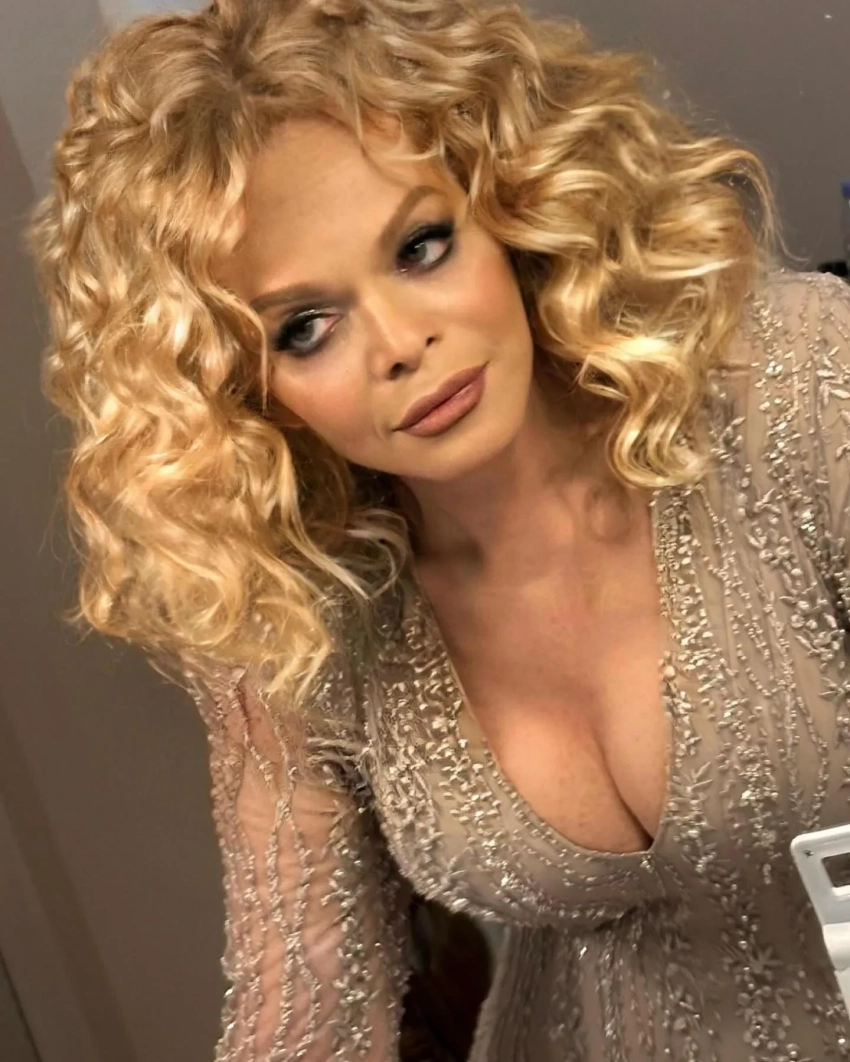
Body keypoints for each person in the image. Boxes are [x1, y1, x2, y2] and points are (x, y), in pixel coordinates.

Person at [26, 0, 850, 1058]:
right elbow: (304, 1004)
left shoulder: (796, 385)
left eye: (420, 246)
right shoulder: (299, 619)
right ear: (243, 390)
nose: (401, 343)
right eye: (305, 327)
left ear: (507, 205)